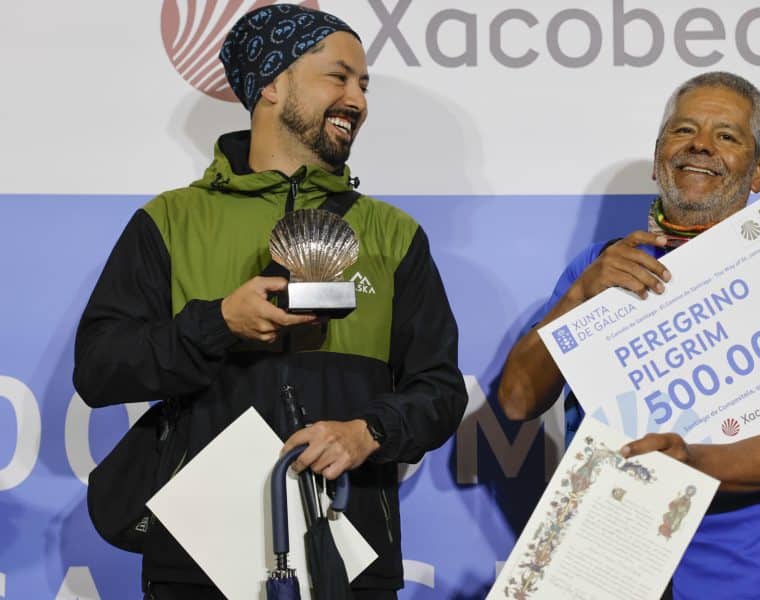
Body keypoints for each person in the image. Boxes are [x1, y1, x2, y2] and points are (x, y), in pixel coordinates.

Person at [73, 5, 467, 599]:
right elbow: (100, 369)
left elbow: (439, 389)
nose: (357, 99)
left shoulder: (393, 234)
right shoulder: (171, 221)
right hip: (197, 562)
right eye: (338, 77)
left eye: (363, 84)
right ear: (272, 85)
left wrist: (367, 432)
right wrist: (217, 324)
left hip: (348, 559)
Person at [498, 71, 760, 599]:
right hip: (602, 569)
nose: (700, 144)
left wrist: (686, 461)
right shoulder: (601, 266)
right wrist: (578, 297)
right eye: (684, 130)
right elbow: (519, 400)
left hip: (739, 579)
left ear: (759, 168)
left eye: (726, 135)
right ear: (661, 153)